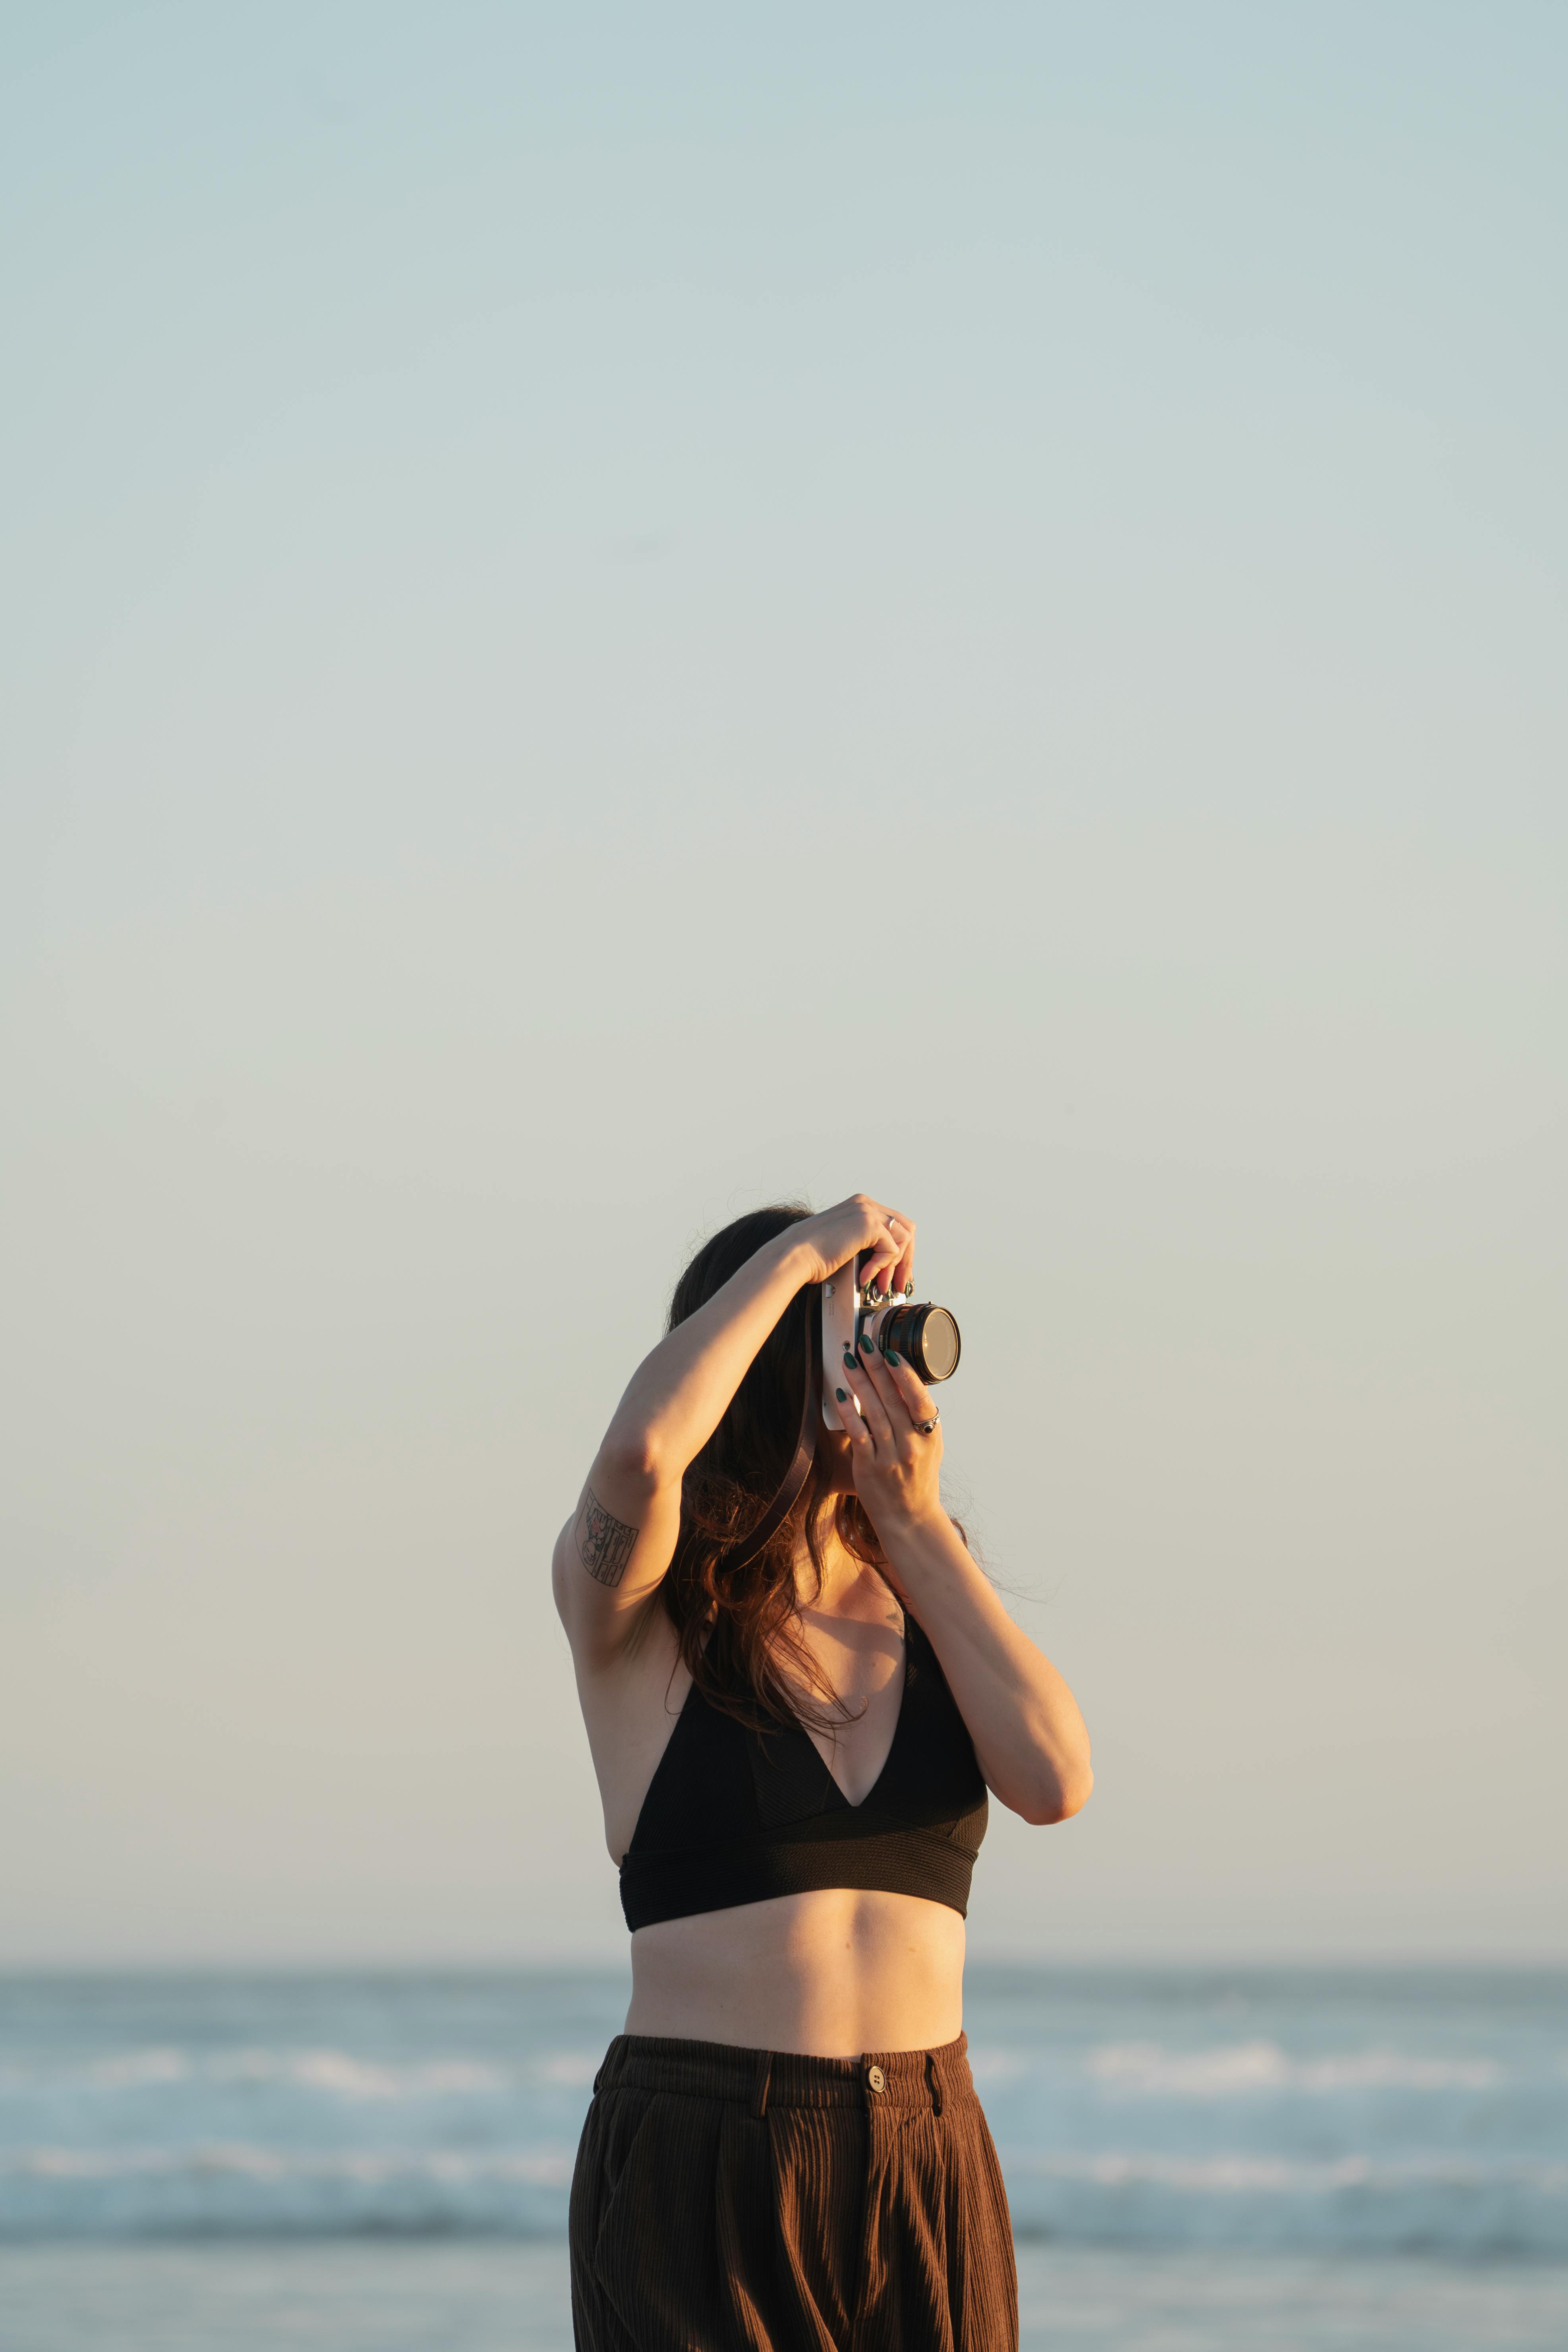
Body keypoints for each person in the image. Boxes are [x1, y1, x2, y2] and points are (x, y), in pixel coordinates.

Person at [554, 1195, 1093, 2352]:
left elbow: (1054, 1777)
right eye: (846, 1335)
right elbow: (644, 1453)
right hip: (706, 2156)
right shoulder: (646, 1618)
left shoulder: (921, 1593)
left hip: (925, 2156)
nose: (876, 1363)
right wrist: (799, 1256)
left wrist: (918, 1528)